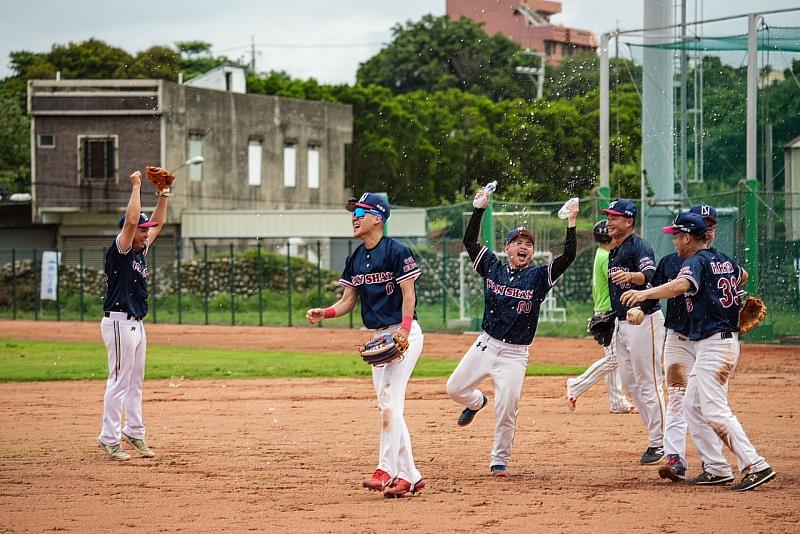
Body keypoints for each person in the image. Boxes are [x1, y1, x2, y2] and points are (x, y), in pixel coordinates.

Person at [622, 212, 776, 491]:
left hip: (715, 344)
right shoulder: (723, 259)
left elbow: (682, 286)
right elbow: (741, 277)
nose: (675, 240)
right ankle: (717, 468)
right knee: (692, 406)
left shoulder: (696, 261)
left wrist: (644, 294)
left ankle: (755, 464)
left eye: (678, 235)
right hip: (714, 342)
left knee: (715, 410)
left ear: (689, 237)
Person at [446, 186, 577, 477]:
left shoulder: (538, 276)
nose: (523, 246)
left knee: (507, 407)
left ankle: (499, 460)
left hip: (515, 355)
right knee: (454, 388)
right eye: (517, 242)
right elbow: (469, 241)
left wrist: (571, 223)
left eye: (528, 243)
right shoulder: (492, 267)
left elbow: (568, 256)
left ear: (532, 251)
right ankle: (478, 402)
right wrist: (479, 208)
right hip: (486, 344)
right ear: (506, 248)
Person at [305, 193, 425, 498]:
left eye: (360, 211)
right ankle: (409, 475)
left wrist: (406, 332)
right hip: (378, 339)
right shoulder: (356, 258)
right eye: (352, 212)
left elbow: (409, 296)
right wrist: (327, 312)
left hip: (403, 333)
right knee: (390, 405)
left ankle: (385, 469)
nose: (354, 217)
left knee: (389, 400)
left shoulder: (397, 251)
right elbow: (348, 301)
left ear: (378, 218)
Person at [97, 169, 170, 461]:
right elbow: (131, 221)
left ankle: (135, 432)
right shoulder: (123, 249)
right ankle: (109, 438)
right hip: (117, 321)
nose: (146, 232)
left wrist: (164, 194)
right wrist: (137, 186)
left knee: (134, 381)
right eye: (143, 229)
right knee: (118, 380)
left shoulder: (140, 250)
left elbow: (160, 222)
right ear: (130, 233)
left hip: (137, 324)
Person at [655, 204, 718, 482]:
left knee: (707, 402)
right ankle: (675, 458)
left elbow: (739, 278)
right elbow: (654, 292)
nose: (708, 229)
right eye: (703, 223)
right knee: (678, 398)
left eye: (711, 224)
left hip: (707, 341)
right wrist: (639, 306)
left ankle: (712, 463)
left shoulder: (718, 262)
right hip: (679, 338)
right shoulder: (670, 262)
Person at [603, 198, 666, 465]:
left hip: (645, 320)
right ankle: (657, 434)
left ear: (628, 221)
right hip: (623, 323)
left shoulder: (639, 246)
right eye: (609, 216)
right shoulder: (615, 251)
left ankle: (661, 442)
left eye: (615, 217)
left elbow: (651, 276)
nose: (609, 221)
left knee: (649, 381)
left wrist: (632, 278)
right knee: (630, 382)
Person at [566, 220, 635, 414]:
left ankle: (617, 402)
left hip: (604, 311)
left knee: (612, 359)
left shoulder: (603, 253)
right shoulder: (607, 257)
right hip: (609, 313)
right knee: (615, 358)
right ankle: (576, 384)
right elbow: (620, 283)